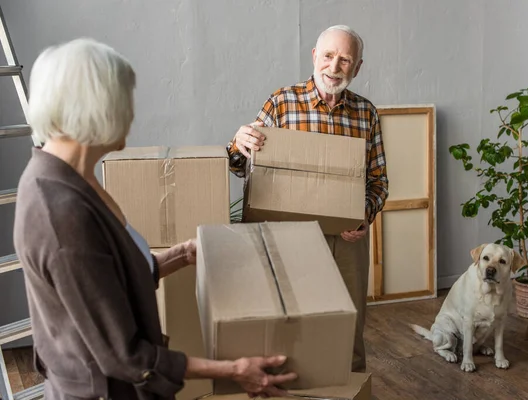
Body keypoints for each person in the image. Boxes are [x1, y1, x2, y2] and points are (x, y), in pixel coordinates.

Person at [12, 38, 296, 400]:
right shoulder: (61, 212)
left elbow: (106, 282)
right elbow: (125, 357)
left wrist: (178, 255)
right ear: (97, 107)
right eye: (126, 101)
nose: (131, 114)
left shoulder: (74, 177)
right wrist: (235, 370)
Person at [226, 25, 389, 373]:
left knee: (348, 322)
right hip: (288, 235)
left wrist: (364, 214)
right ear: (315, 57)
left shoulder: (367, 113)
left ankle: (349, 390)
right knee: (287, 320)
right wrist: (238, 144)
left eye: (345, 60)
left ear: (357, 67)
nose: (334, 66)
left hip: (347, 237)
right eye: (328, 56)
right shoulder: (281, 102)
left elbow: (379, 182)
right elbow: (242, 166)